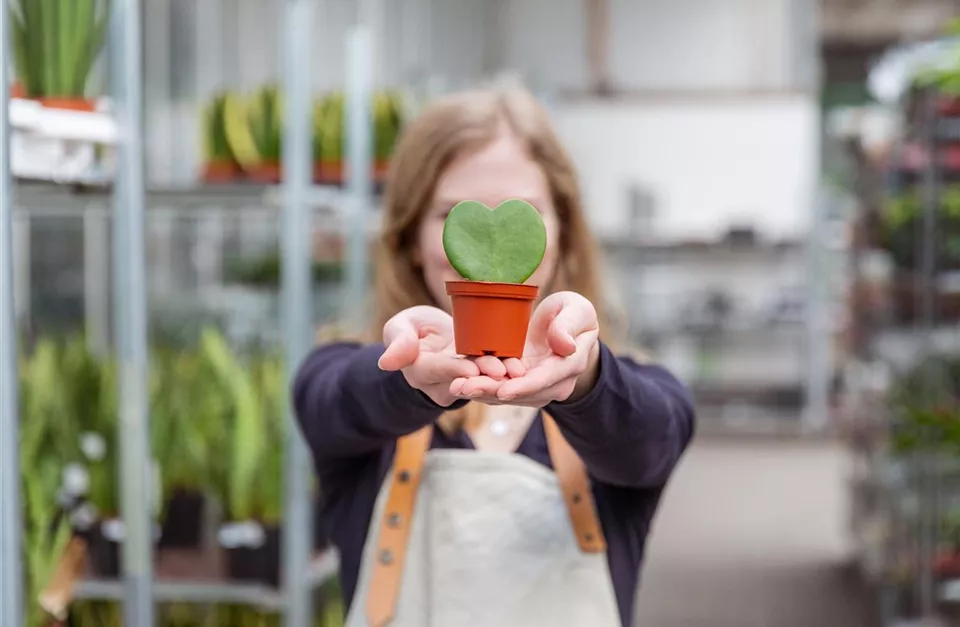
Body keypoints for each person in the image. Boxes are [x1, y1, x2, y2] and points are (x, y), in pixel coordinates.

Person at [293, 82, 695, 627]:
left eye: (524, 212)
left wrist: (584, 380)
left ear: (564, 235)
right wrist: (408, 378)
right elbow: (334, 401)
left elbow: (650, 437)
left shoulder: (632, 396)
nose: (486, 255)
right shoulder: (348, 380)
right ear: (410, 237)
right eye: (450, 214)